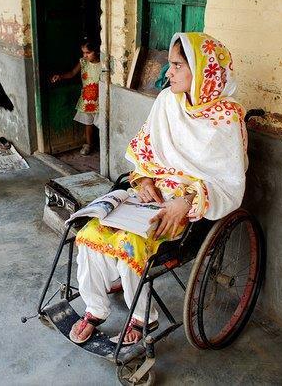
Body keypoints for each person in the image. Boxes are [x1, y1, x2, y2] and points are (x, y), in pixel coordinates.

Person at [69, 32, 248, 345]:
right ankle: (95, 308)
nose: (169, 73)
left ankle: (142, 318)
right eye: (170, 65)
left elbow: (228, 180)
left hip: (190, 206)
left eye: (178, 66)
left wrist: (185, 201)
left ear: (203, 71)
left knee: (130, 246)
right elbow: (147, 151)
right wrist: (146, 179)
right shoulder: (168, 101)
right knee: (88, 234)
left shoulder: (226, 118)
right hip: (150, 194)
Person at [50, 39, 101, 156]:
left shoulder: (103, 64)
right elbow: (72, 73)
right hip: (87, 99)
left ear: (97, 52)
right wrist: (61, 76)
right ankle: (88, 144)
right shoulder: (83, 62)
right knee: (88, 124)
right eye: (83, 53)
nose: (85, 55)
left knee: (102, 123)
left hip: (100, 99)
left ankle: (104, 146)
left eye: (88, 53)